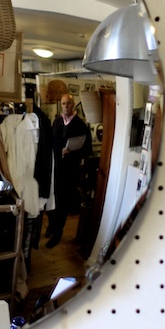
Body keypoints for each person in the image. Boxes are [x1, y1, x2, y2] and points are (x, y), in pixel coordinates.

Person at [45, 93, 92, 249]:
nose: (66, 106)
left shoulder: (81, 125)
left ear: (73, 104)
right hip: (55, 168)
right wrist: (57, 151)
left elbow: (87, 150)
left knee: (62, 203)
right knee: (51, 199)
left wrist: (71, 152)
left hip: (69, 171)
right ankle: (51, 226)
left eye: (68, 103)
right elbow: (51, 143)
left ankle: (57, 233)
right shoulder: (57, 122)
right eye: (64, 103)